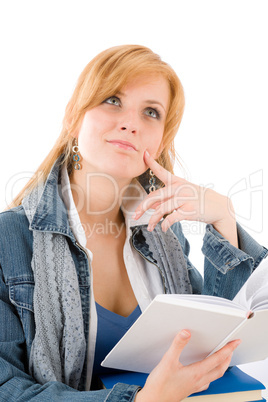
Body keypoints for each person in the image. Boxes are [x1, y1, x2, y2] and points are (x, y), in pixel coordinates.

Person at [0, 45, 267, 402]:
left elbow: (217, 344)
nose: (130, 123)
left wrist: (224, 220)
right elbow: (7, 389)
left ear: (160, 141)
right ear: (73, 116)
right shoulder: (9, 241)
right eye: (112, 100)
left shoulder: (164, 238)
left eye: (151, 112)